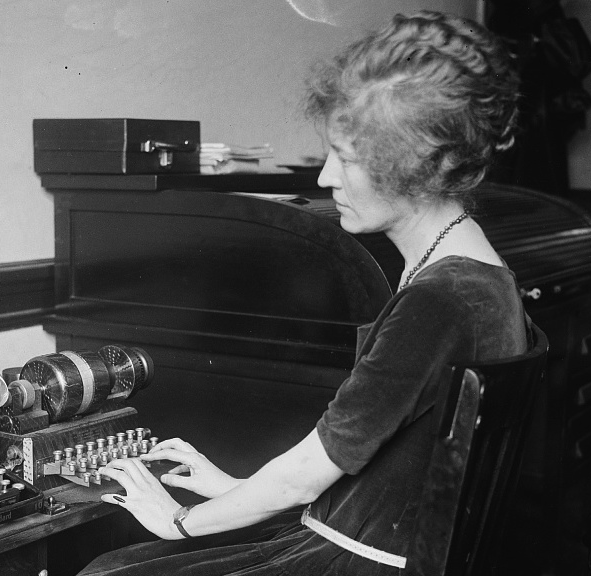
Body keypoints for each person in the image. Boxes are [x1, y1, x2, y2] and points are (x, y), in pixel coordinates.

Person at [78, 10, 527, 575]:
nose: (325, 178)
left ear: (415, 166)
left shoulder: (440, 300)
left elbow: (303, 479)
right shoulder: (480, 273)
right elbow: (387, 473)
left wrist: (177, 521)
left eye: (349, 159)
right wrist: (234, 485)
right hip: (361, 539)